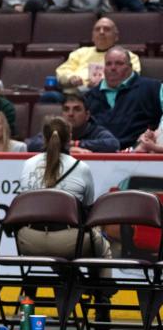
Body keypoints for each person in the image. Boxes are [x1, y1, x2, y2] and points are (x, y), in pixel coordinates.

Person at [18, 116, 111, 265]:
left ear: (44, 137)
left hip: (28, 240)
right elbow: (88, 210)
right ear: (70, 138)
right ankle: (103, 288)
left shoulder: (28, 164)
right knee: (103, 246)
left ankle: (64, 285)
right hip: (68, 242)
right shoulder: (81, 167)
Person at [84, 46, 163, 150]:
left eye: (119, 63)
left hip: (142, 155)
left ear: (130, 67)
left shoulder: (153, 88)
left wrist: (157, 136)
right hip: (97, 155)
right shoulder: (89, 96)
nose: (112, 68)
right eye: (108, 64)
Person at [53, 17, 141, 98]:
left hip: (109, 95)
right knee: (51, 96)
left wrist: (105, 83)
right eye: (97, 29)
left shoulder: (127, 55)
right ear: (92, 37)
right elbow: (62, 71)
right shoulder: (80, 53)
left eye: (107, 29)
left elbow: (132, 77)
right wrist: (71, 78)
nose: (101, 32)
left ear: (116, 36)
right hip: (75, 96)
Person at [26, 93, 119, 153]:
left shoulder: (95, 130)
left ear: (87, 115)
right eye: (66, 109)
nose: (70, 114)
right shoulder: (55, 128)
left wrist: (76, 144)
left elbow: (113, 144)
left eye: (77, 109)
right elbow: (32, 144)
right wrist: (66, 148)